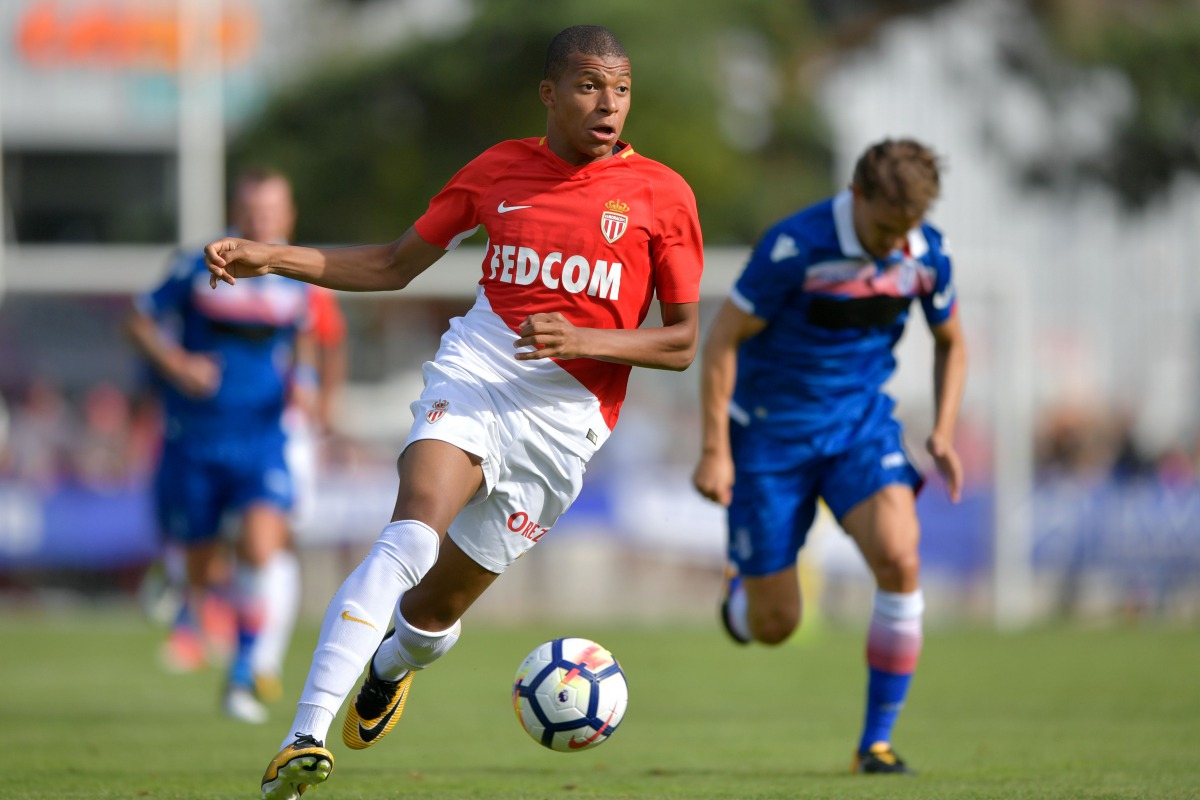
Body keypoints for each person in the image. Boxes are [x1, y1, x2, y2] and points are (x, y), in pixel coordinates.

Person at [204, 25, 704, 800]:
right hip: (479, 370)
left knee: (434, 611)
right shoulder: (497, 170)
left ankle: (395, 663)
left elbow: (681, 341)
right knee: (411, 528)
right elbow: (393, 264)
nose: (609, 104)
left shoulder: (662, 196)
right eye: (589, 86)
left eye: (621, 88)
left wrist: (584, 336)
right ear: (549, 94)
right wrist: (276, 258)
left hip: (568, 421)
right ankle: (303, 735)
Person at [692, 138, 967, 776]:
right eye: (885, 227)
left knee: (901, 557)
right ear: (858, 194)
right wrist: (714, 450)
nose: (897, 243)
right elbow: (723, 340)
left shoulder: (926, 254)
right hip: (768, 438)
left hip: (860, 431)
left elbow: (952, 340)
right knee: (776, 624)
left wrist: (945, 431)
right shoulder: (795, 245)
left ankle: (875, 743)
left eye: (909, 228)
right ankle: (742, 595)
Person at [126, 168, 320, 723]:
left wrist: (304, 384)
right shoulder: (195, 266)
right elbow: (137, 322)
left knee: (262, 547)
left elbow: (303, 339)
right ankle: (183, 587)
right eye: (251, 210)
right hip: (195, 441)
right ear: (238, 211)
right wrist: (176, 363)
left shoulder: (295, 278)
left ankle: (243, 672)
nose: (261, 220)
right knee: (204, 566)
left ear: (288, 216)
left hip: (262, 439)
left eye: (270, 211)